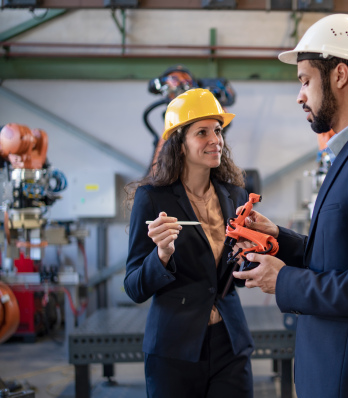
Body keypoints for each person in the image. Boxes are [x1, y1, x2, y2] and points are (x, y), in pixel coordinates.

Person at [233, 14, 348, 398]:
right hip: (336, 375)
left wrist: (282, 280)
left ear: (338, 75)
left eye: (305, 80)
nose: (300, 95)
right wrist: (280, 240)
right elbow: (342, 256)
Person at [124, 88, 254, 398]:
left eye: (218, 130)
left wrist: (249, 256)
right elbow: (134, 287)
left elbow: (234, 277)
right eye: (202, 132)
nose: (215, 139)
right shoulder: (152, 199)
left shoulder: (234, 195)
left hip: (230, 342)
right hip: (174, 349)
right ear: (180, 145)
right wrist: (162, 255)